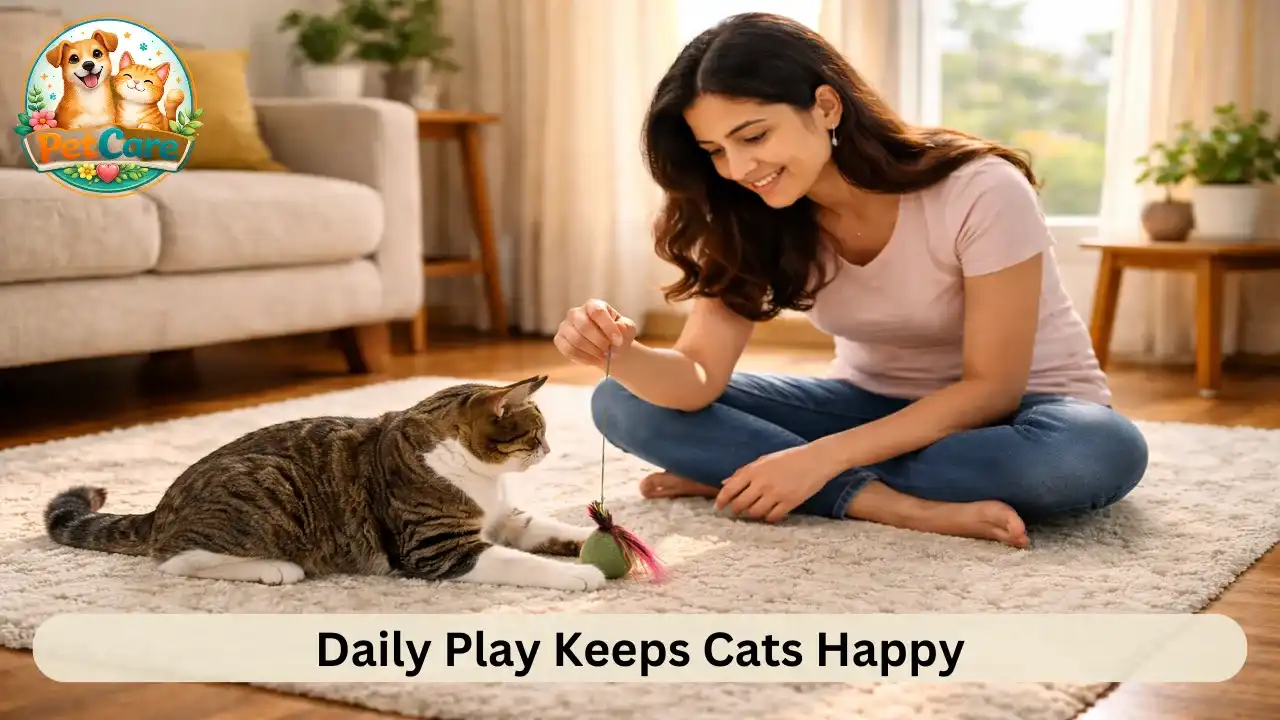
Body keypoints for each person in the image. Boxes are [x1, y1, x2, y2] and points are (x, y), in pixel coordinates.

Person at [551, 12, 1148, 549]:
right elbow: (698, 378)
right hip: (868, 410)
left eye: (754, 136)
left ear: (827, 107)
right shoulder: (744, 214)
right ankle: (885, 504)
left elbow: (991, 389)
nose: (738, 168)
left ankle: (743, 471)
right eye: (715, 149)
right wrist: (619, 354)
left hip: (1025, 414)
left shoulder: (979, 188)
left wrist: (814, 460)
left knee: (1090, 456)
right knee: (622, 399)